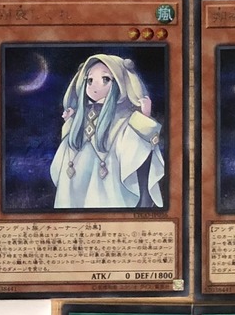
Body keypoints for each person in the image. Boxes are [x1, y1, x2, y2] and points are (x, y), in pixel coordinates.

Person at [50, 55, 164, 210]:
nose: (94, 86)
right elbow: (66, 151)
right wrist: (70, 122)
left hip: (109, 182)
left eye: (105, 79)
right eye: (90, 80)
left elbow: (136, 153)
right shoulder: (79, 116)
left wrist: (144, 119)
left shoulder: (124, 117)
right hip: (75, 181)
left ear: (119, 82)